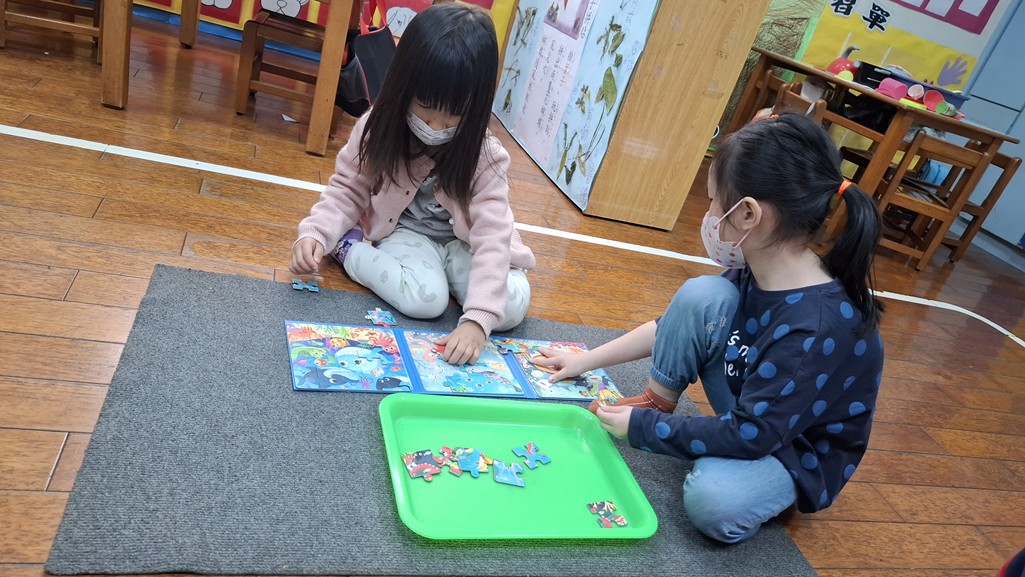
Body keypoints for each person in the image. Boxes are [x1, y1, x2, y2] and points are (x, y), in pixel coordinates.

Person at [533, 113, 885, 544]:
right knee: (702, 294)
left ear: (749, 213)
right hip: (755, 405)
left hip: (792, 450)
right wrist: (586, 359)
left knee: (714, 501)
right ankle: (662, 405)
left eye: (715, 202)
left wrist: (644, 430)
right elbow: (674, 325)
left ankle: (749, 474)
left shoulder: (814, 328)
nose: (710, 215)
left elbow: (755, 433)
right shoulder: (764, 266)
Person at [289, 3, 535, 366]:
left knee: (509, 307)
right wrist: (318, 233)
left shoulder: (487, 154)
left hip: (463, 241)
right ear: (403, 85)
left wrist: (477, 321)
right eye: (425, 107)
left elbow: (493, 235)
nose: (436, 126)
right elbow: (347, 189)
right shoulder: (376, 126)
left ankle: (459, 285)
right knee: (426, 301)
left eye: (455, 113)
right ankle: (348, 248)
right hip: (406, 234)